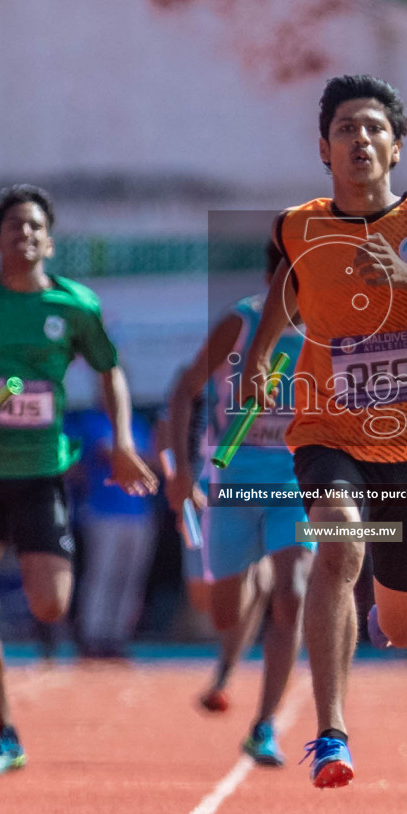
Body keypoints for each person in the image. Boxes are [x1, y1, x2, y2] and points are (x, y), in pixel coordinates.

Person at [240, 74, 407, 788]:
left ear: (396, 145)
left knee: (400, 627)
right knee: (338, 547)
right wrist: (262, 356)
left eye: (372, 128)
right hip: (326, 431)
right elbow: (284, 295)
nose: (358, 139)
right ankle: (331, 734)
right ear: (323, 148)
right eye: (344, 129)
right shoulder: (299, 226)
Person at [0, 183, 156, 776]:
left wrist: (124, 444)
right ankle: (5, 732)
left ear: (48, 240)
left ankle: (38, 611)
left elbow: (111, 375)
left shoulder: (76, 306)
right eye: (14, 226)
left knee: (50, 606)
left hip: (40, 472)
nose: (24, 235)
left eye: (34, 227)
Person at [166, 241, 314, 764]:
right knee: (224, 609)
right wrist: (183, 472)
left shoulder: (333, 334)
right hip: (233, 482)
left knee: (293, 593)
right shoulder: (242, 323)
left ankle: (264, 724)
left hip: (297, 487)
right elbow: (185, 389)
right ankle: (238, 624)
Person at [69, 403, 157, 658]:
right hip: (102, 512)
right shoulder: (92, 421)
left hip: (139, 513)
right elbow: (107, 453)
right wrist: (133, 457)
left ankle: (117, 636)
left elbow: (153, 462)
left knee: (130, 578)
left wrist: (134, 458)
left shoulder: (138, 423)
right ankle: (92, 635)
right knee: (101, 575)